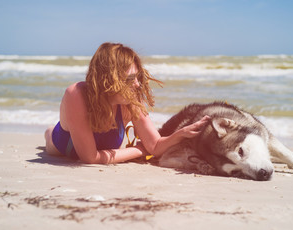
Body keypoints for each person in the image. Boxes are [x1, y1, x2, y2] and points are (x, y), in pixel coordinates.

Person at [44, 42, 210, 164]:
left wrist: (180, 134)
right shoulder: (76, 94)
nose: (137, 84)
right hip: (63, 144)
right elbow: (89, 158)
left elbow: (155, 145)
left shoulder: (131, 101)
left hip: (94, 148)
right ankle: (49, 132)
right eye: (130, 79)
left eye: (137, 77)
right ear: (108, 79)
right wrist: (137, 150)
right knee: (49, 135)